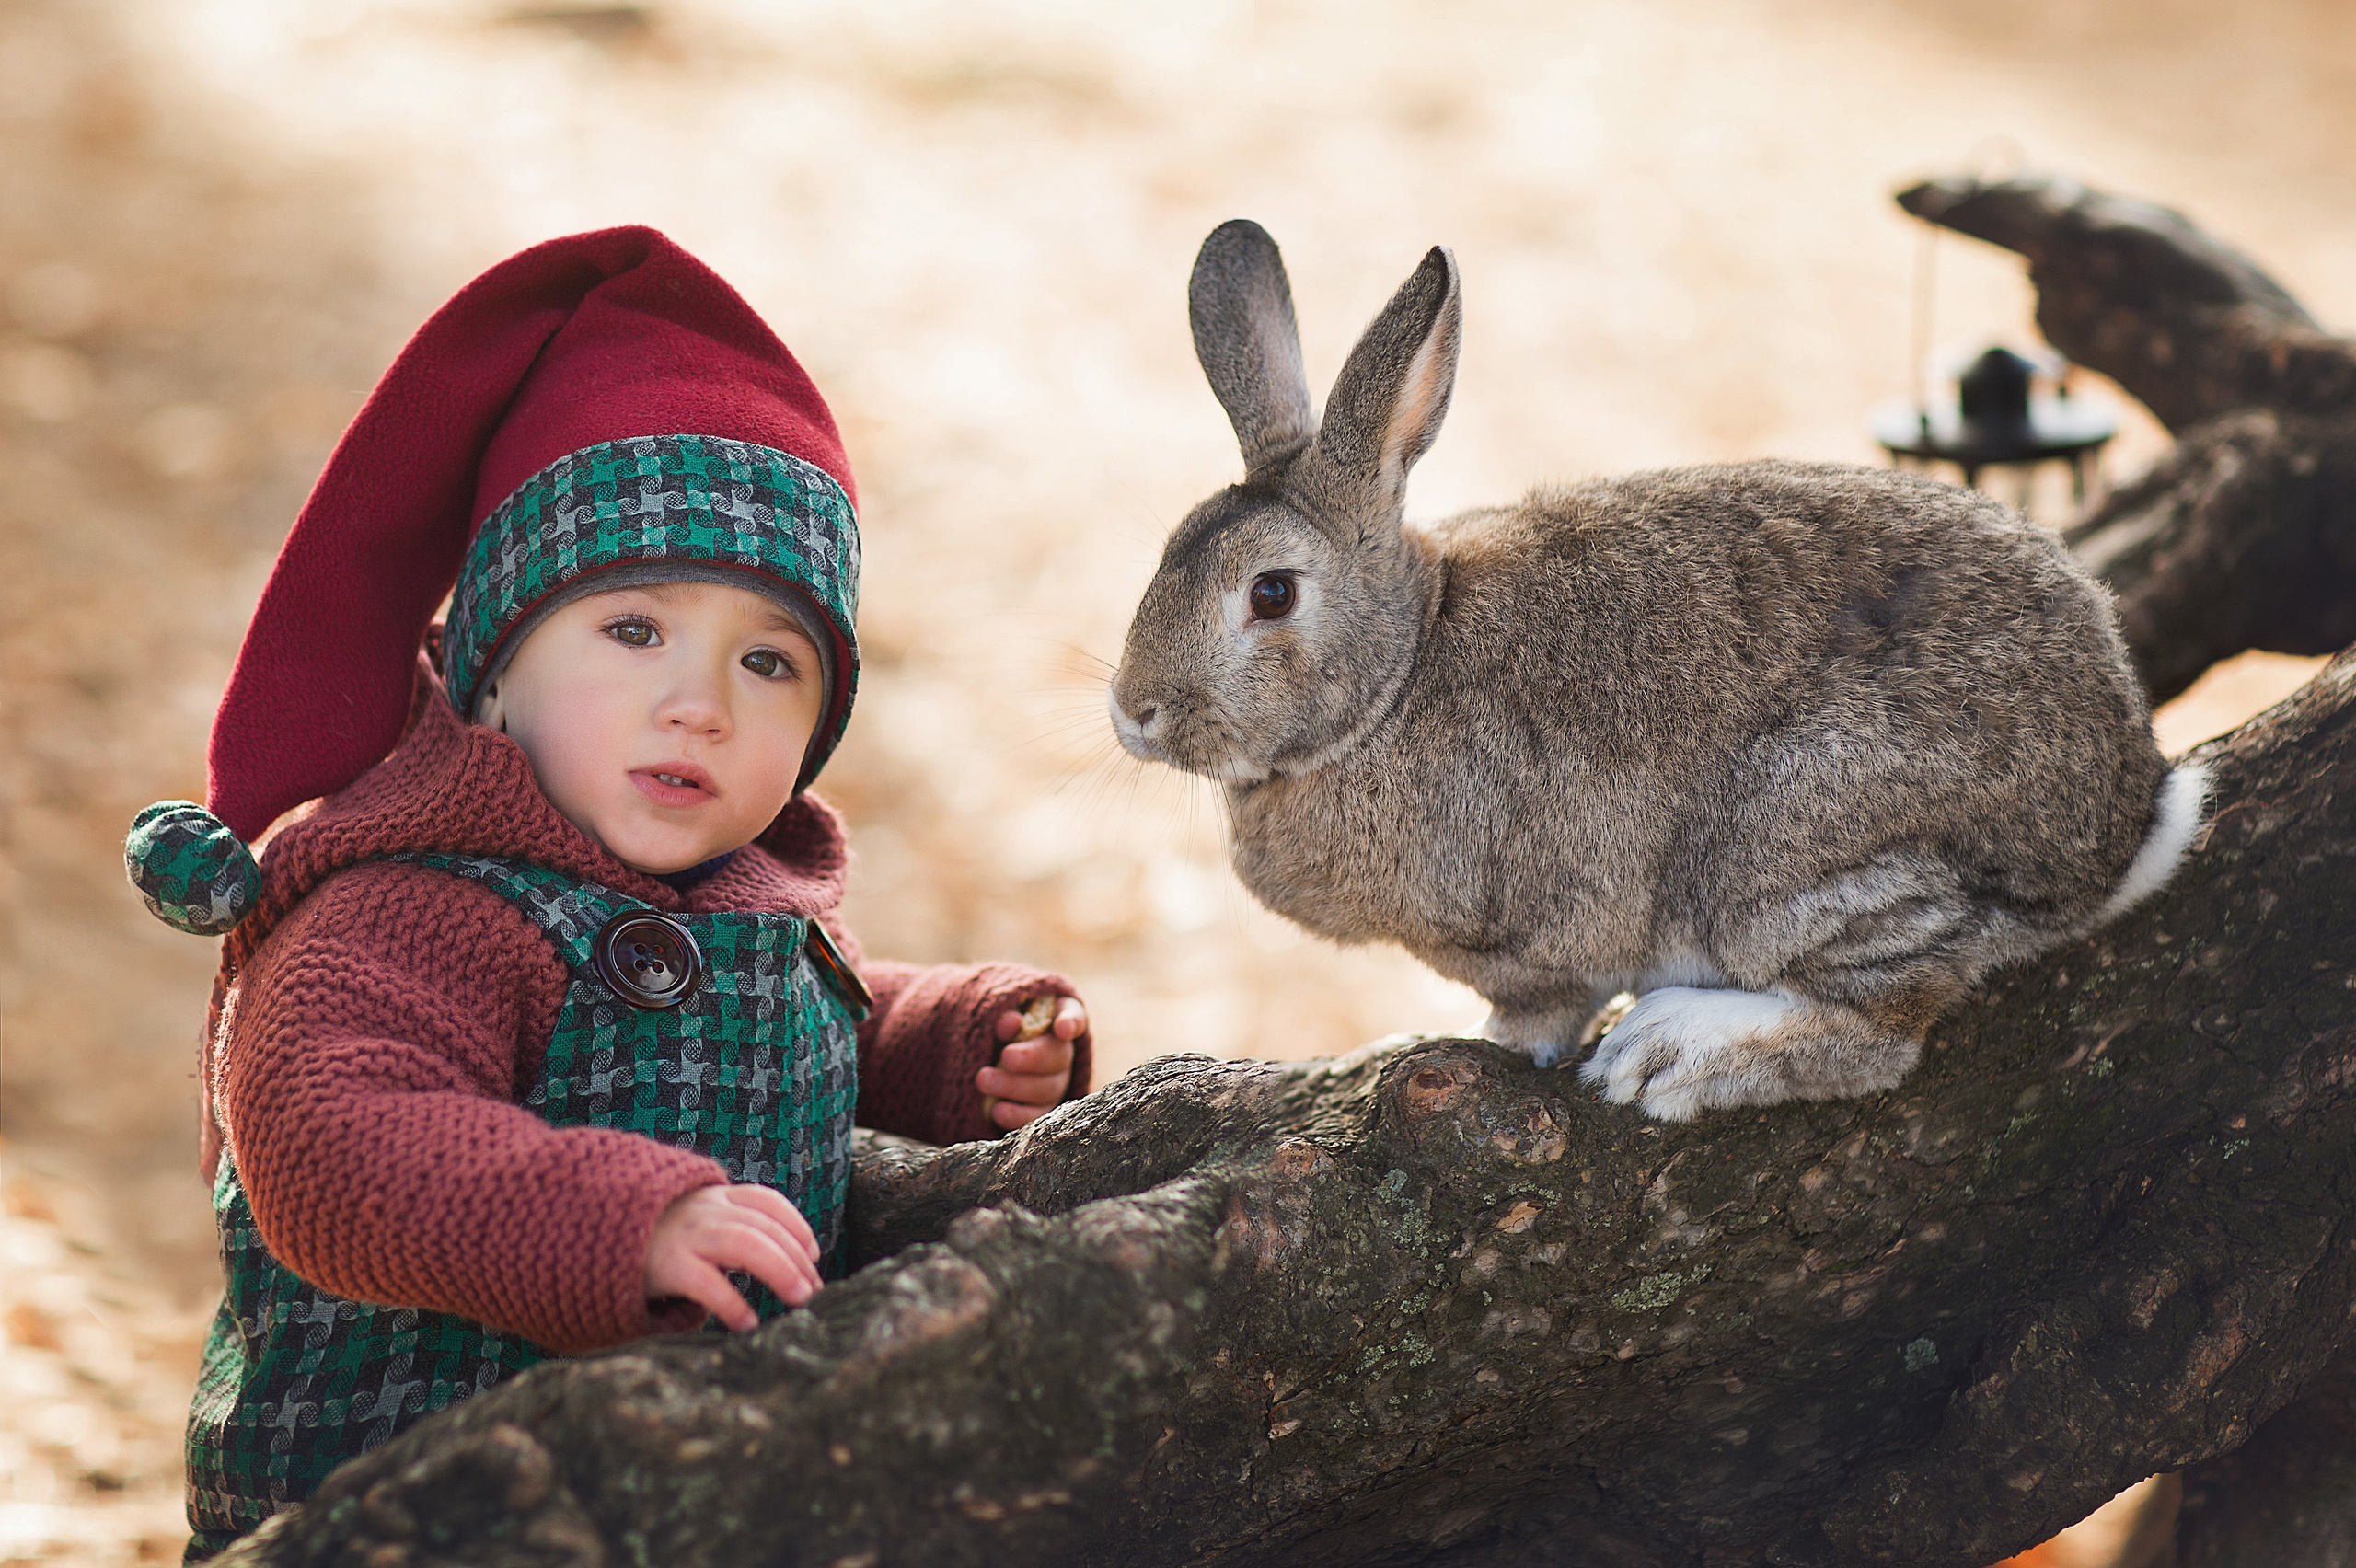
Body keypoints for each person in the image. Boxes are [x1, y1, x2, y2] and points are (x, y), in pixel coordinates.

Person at [121, 227, 1092, 1560]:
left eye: (770, 665)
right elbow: (327, 1139)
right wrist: (617, 1225)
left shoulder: (741, 897)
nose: (697, 703)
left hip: (674, 1504)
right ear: (492, 667)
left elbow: (802, 1033)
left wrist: (952, 1044)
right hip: (406, 1501)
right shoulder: (409, 900)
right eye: (633, 631)